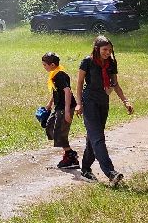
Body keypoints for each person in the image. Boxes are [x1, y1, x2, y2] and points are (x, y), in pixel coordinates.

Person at [74, 35, 133, 186]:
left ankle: (86, 169)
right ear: (97, 49)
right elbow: (80, 83)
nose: (108, 52)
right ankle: (110, 172)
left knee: (93, 138)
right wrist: (79, 103)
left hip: (103, 101)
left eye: (110, 50)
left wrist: (125, 101)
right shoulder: (87, 61)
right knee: (98, 138)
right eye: (105, 49)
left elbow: (115, 84)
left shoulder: (111, 63)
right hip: (89, 101)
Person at [40, 52, 79, 170]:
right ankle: (69, 153)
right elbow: (57, 91)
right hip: (58, 107)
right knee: (50, 127)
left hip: (65, 107)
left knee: (60, 133)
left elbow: (67, 91)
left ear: (52, 65)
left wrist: (67, 112)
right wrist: (50, 103)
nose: (44, 67)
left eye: (44, 65)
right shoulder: (54, 73)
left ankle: (71, 157)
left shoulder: (60, 75)